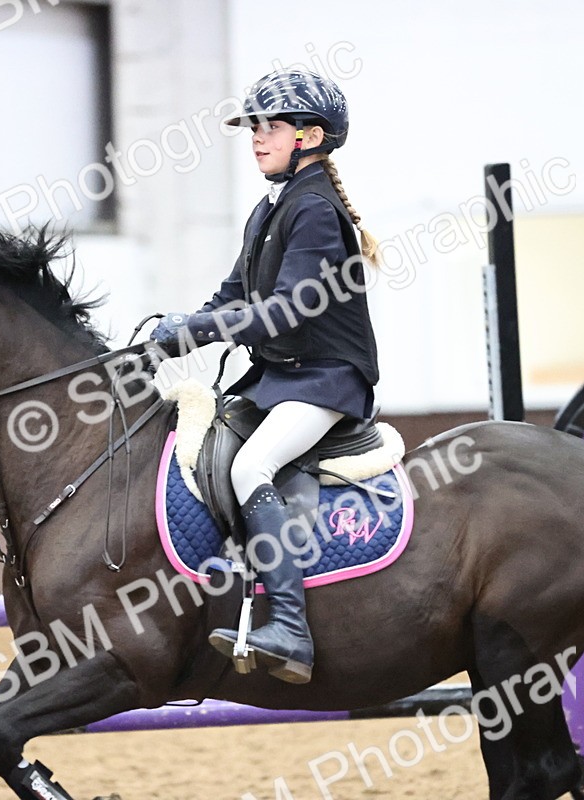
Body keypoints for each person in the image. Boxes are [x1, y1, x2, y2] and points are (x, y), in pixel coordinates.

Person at [150, 69, 380, 684]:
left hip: (326, 381)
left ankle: (290, 630)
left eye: (270, 126)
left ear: (311, 137)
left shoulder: (315, 211)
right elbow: (234, 295)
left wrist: (200, 330)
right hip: (279, 377)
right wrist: (169, 339)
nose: (256, 137)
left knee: (252, 466)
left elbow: (285, 310)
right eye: (253, 127)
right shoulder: (271, 207)